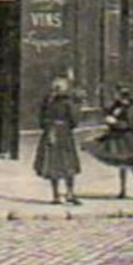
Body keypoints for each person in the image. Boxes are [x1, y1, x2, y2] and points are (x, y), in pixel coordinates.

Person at [86, 85, 133, 200]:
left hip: (127, 138)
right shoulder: (116, 106)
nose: (115, 97)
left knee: (132, 165)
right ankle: (123, 190)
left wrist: (115, 122)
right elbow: (107, 113)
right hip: (116, 137)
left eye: (117, 94)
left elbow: (128, 123)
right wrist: (107, 117)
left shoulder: (130, 107)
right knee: (122, 165)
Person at [34, 76, 82, 205]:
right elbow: (74, 120)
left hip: (50, 133)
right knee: (68, 164)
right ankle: (69, 193)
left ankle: (56, 195)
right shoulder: (67, 102)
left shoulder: (47, 101)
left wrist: (49, 128)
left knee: (53, 164)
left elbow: (41, 119)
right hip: (64, 134)